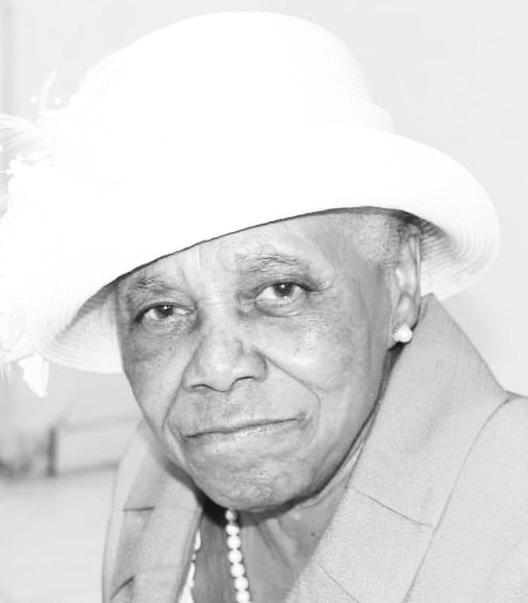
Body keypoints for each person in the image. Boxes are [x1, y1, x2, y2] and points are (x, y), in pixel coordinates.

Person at [1, 11, 527, 603]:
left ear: (401, 281)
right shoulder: (153, 483)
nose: (216, 368)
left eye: (280, 290)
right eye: (163, 311)